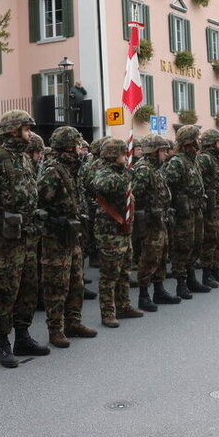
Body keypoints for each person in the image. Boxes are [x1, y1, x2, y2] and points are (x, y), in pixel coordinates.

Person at [0, 110, 48, 368]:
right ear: (13, 130)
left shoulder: (24, 160)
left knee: (28, 287)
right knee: (4, 291)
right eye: (26, 129)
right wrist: (3, 210)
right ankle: (2, 343)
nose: (29, 134)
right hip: (4, 239)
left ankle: (22, 336)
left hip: (26, 236)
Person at [38, 126, 98, 346]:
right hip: (56, 237)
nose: (81, 150)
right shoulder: (53, 171)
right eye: (78, 146)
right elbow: (38, 204)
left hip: (72, 236)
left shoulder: (73, 171)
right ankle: (56, 329)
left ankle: (73, 322)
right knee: (56, 285)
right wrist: (55, 219)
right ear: (68, 147)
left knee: (76, 282)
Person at [89, 138, 144, 326]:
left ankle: (124, 305)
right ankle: (108, 312)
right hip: (109, 230)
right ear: (114, 156)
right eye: (123, 153)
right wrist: (126, 176)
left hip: (124, 229)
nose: (126, 156)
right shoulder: (104, 172)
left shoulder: (122, 172)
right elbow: (104, 186)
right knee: (110, 274)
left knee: (124, 270)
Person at [132, 135, 178, 307]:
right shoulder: (144, 169)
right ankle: (144, 295)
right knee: (148, 257)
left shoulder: (157, 168)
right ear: (153, 151)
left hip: (160, 219)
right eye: (163, 150)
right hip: (150, 221)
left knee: (161, 255)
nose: (166, 154)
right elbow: (135, 194)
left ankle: (159, 290)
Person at [161, 125, 206, 300]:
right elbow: (166, 184)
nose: (199, 141)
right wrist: (177, 202)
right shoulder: (177, 161)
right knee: (182, 247)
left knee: (196, 244)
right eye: (196, 138)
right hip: (183, 212)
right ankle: (181, 282)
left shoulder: (193, 159)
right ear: (189, 141)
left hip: (196, 208)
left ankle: (191, 277)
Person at [196, 129, 219, 288]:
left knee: (218, 238)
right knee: (209, 240)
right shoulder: (204, 159)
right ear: (211, 143)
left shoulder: (216, 158)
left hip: (218, 204)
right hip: (209, 207)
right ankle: (206, 273)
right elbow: (198, 181)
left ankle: (216, 269)